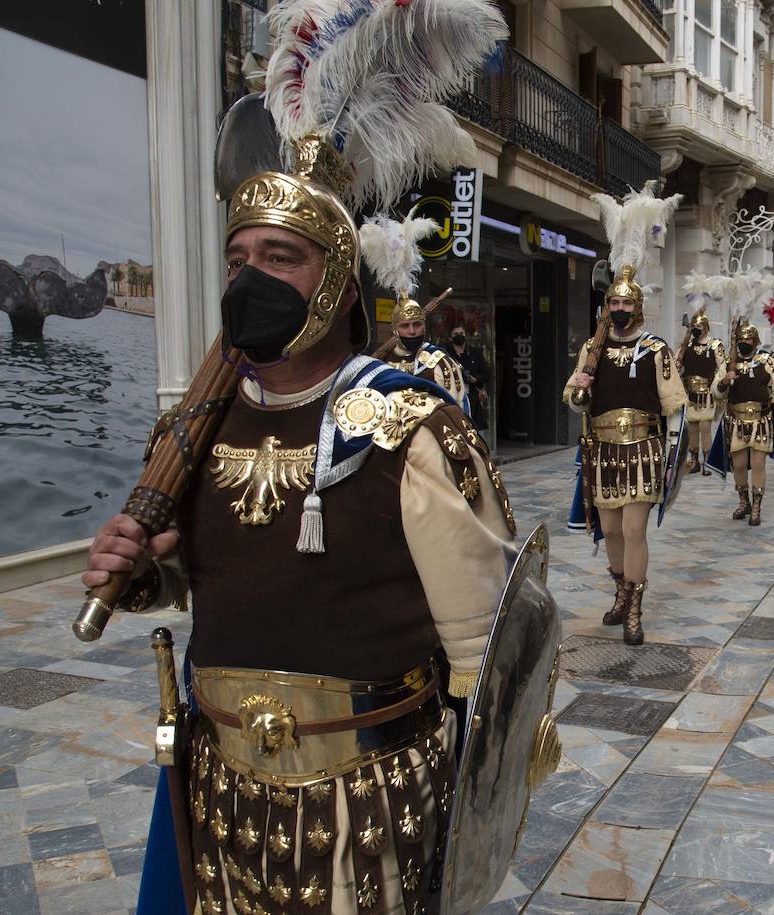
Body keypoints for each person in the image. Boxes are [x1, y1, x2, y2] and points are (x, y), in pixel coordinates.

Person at [88, 4, 515, 910]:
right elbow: (208, 581)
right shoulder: (193, 429)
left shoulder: (408, 426)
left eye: (280, 256)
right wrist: (143, 575)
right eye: (240, 255)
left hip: (368, 811)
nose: (251, 277)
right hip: (221, 796)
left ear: (333, 280)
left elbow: (492, 654)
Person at [564, 185, 685, 646]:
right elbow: (574, 400)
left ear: (639, 306)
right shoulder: (592, 349)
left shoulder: (656, 350)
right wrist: (578, 391)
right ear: (606, 306)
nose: (619, 309)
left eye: (627, 303)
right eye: (613, 303)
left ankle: (635, 607)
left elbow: (674, 406)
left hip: (643, 448)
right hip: (602, 450)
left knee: (634, 528)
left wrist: (673, 455)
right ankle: (619, 591)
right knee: (609, 528)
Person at [716, 325, 774, 523]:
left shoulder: (766, 361)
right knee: (738, 465)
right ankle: (743, 501)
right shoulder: (729, 363)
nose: (745, 344)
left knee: (758, 463)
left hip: (761, 421)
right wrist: (725, 381)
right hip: (736, 421)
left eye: (749, 341)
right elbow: (716, 392)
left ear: (755, 342)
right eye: (741, 341)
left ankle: (756, 506)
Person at [385, 300, 469, 409]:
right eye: (405, 326)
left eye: (417, 324)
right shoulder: (382, 362)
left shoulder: (441, 363)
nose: (412, 331)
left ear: (424, 326)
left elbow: (457, 408)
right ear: (394, 329)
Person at [679, 312, 724, 474]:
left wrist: (719, 386)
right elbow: (680, 367)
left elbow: (721, 369)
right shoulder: (687, 346)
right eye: (694, 327)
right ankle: (694, 460)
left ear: (705, 327)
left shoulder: (714, 346)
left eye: (699, 326)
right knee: (692, 428)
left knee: (705, 426)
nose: (696, 329)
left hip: (707, 394)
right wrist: (678, 365)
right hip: (690, 393)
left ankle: (707, 461)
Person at [448, 322, 491, 431]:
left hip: (472, 397)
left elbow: (487, 374)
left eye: (461, 333)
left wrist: (475, 378)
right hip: (452, 397)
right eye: (455, 334)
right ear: (450, 337)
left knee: (473, 430)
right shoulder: (446, 354)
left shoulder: (475, 353)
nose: (459, 335)